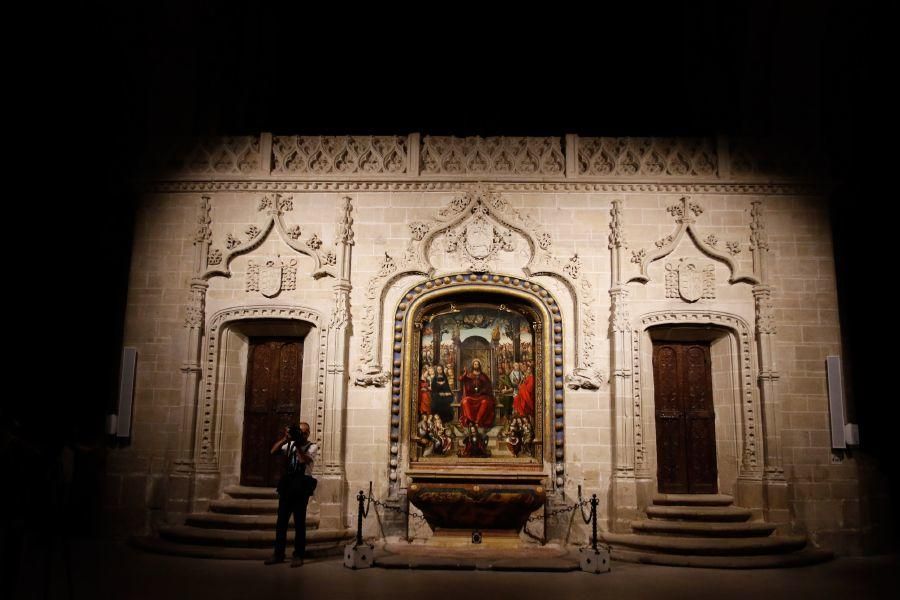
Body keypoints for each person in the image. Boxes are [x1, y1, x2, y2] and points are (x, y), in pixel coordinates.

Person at [265, 422, 318, 567]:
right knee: (281, 521)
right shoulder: (289, 444)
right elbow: (273, 452)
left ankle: (298, 555)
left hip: (302, 485)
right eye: (298, 432)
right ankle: (278, 554)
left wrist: (298, 445)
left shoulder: (312, 446)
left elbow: (303, 460)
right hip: (288, 484)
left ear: (307, 433)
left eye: (302, 432)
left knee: (299, 522)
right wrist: (285, 439)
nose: (300, 434)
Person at [458, 359, 495, 428]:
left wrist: (482, 391)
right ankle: (471, 421)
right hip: (471, 396)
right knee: (465, 401)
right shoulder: (469, 375)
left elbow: (488, 386)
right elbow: (460, 379)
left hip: (481, 396)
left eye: (477, 364)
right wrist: (464, 374)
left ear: (479, 365)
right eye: (475, 364)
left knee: (485, 402)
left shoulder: (483, 376)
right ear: (473, 365)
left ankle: (477, 421)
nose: (476, 365)